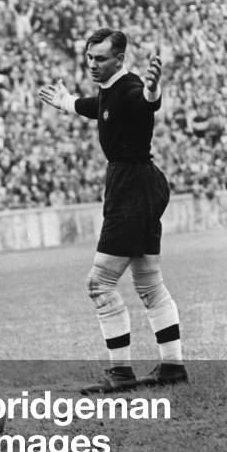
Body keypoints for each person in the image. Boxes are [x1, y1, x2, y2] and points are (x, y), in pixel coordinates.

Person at [39, 28, 186, 393]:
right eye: (89, 57)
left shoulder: (131, 88)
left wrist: (154, 90)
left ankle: (120, 373)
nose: (92, 64)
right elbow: (97, 108)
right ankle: (173, 367)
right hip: (141, 185)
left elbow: (144, 102)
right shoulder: (110, 91)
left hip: (131, 189)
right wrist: (66, 102)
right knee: (149, 284)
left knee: (99, 284)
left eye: (100, 58)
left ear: (119, 59)